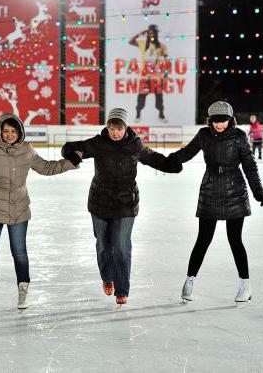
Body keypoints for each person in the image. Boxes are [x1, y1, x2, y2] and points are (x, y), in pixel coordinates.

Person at [61, 108, 182, 305]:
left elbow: (153, 158)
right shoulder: (98, 143)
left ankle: (122, 289)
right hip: (100, 202)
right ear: (107, 127)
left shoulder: (135, 144)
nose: (115, 132)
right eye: (111, 128)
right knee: (103, 245)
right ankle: (107, 277)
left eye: (119, 128)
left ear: (125, 127)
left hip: (126, 203)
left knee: (120, 246)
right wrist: (72, 155)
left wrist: (172, 165)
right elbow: (68, 147)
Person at [0, 113, 77, 310]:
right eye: (5, 131)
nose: (9, 135)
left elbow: (47, 168)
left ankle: (23, 291)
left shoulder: (27, 150)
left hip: (19, 207)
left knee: (19, 251)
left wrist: (71, 162)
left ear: (20, 131)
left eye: (13, 131)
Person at [169, 101, 263, 303]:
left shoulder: (239, 137)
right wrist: (169, 160)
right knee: (203, 239)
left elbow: (249, 166)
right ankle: (189, 281)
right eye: (215, 121)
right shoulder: (204, 135)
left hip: (235, 192)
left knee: (235, 240)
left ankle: (245, 285)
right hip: (210, 189)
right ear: (210, 120)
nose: (219, 125)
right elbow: (187, 152)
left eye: (223, 121)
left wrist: (258, 191)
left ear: (231, 120)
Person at [128, 24, 169, 121]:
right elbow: (130, 42)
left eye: (153, 33)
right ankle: (138, 115)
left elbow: (166, 60)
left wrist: (165, 73)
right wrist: (141, 33)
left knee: (159, 97)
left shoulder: (162, 46)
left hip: (157, 76)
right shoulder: (143, 43)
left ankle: (161, 115)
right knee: (141, 97)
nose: (151, 35)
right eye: (149, 33)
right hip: (144, 76)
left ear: (156, 34)